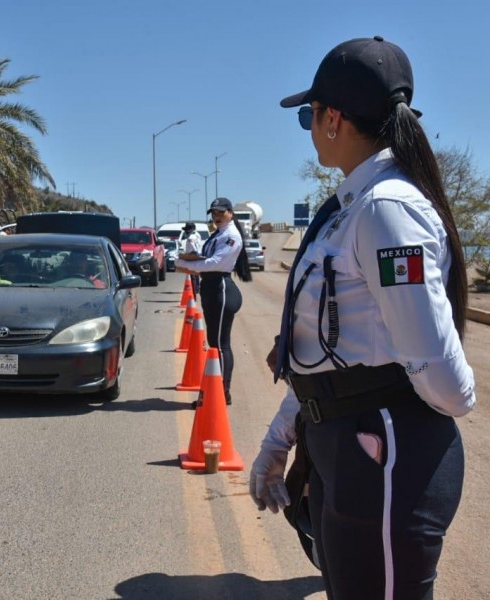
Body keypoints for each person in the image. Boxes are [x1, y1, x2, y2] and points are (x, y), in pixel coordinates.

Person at [249, 36, 475, 599]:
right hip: (351, 453)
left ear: (333, 119)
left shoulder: (386, 212)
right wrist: (282, 438)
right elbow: (336, 357)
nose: (309, 126)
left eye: (308, 114)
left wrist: (444, 399)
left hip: (387, 461)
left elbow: (436, 370)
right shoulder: (351, 207)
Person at [175, 198, 251, 405]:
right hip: (211, 288)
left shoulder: (231, 236)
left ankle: (220, 392)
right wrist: (190, 260)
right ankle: (215, 391)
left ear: (230, 213)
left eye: (220, 212)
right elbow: (206, 259)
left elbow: (216, 263)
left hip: (221, 290)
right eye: (213, 213)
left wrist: (183, 263)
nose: (216, 217)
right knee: (215, 343)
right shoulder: (218, 234)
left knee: (220, 345)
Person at [181, 221, 203, 294]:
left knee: (192, 274)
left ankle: (194, 289)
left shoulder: (191, 237)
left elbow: (193, 247)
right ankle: (196, 288)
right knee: (195, 273)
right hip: (197, 254)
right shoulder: (197, 235)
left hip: (192, 255)